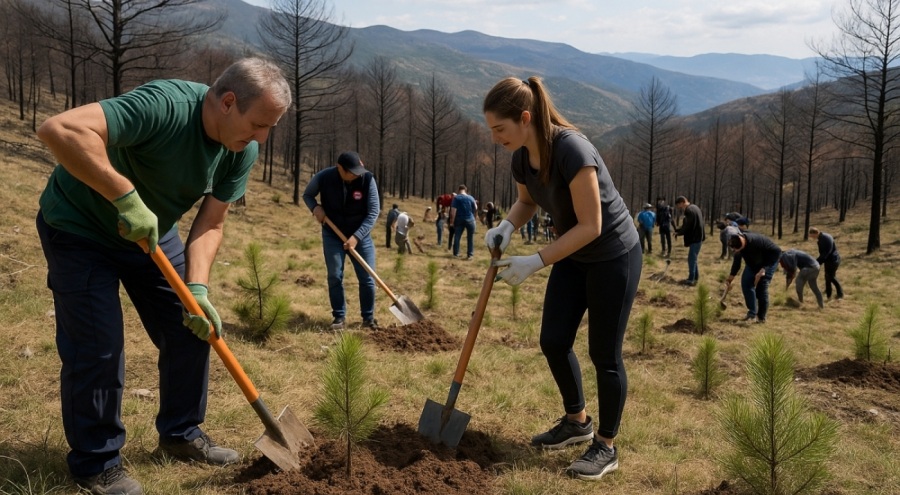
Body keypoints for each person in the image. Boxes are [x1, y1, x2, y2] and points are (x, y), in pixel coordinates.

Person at [34, 57, 291, 495]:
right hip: (78, 228)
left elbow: (211, 223)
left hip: (149, 234)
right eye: (260, 124)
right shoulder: (166, 106)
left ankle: (181, 434)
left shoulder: (240, 149)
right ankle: (96, 464)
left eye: (270, 128)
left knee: (193, 325)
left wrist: (198, 287)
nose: (263, 138)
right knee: (98, 346)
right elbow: (59, 129)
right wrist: (124, 196)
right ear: (228, 102)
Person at [482, 76, 641, 482]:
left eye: (500, 128)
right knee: (553, 340)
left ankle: (605, 446)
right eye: (491, 130)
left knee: (604, 355)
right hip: (572, 254)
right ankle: (577, 422)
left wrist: (535, 260)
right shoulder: (520, 155)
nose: (495, 137)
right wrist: (506, 225)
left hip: (612, 255)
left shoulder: (572, 149)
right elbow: (527, 200)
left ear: (525, 118)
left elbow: (591, 225)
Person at [303, 151, 379, 330]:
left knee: (367, 277)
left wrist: (356, 237)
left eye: (357, 171)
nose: (355, 174)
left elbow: (373, 212)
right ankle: (339, 317)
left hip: (360, 235)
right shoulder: (324, 177)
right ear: (340, 168)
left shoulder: (367, 179)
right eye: (351, 171)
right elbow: (307, 195)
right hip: (332, 234)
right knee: (335, 275)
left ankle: (368, 319)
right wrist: (315, 208)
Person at [726, 232, 782, 323]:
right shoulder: (736, 242)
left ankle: (761, 317)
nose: (737, 251)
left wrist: (764, 269)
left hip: (768, 263)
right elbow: (737, 262)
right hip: (752, 265)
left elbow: (778, 252)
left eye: (739, 249)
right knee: (746, 284)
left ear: (743, 242)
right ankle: (752, 313)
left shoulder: (756, 241)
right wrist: (731, 276)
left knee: (761, 289)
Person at [673, 196, 705, 286]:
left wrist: (679, 233)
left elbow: (688, 226)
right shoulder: (695, 207)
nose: (679, 208)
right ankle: (695, 277)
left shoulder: (689, 210)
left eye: (679, 205)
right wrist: (679, 230)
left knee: (691, 259)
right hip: (698, 237)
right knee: (693, 258)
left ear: (683, 202)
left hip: (695, 238)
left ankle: (691, 280)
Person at [809, 227, 844, 300]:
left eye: (812, 236)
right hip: (828, 261)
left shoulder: (826, 239)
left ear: (815, 233)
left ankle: (840, 294)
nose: (812, 238)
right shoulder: (821, 239)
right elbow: (822, 254)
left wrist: (817, 263)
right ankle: (829, 294)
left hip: (833, 260)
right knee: (827, 277)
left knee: (831, 277)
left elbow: (825, 254)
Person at [449, 184, 478, 259]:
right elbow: (476, 208)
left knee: (457, 236)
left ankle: (456, 253)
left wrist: (452, 222)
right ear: (466, 190)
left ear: (459, 190)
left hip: (459, 219)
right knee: (470, 237)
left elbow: (453, 211)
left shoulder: (456, 198)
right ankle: (470, 255)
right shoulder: (471, 198)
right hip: (470, 219)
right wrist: (474, 218)